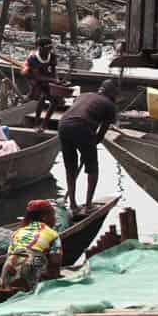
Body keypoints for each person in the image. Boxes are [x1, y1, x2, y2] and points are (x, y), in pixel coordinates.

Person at [58, 79, 120, 217]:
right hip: (82, 126)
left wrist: (89, 144)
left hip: (63, 125)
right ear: (112, 93)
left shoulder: (83, 95)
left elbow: (77, 110)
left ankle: (73, 205)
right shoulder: (109, 105)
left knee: (70, 168)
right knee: (93, 169)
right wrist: (92, 145)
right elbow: (101, 133)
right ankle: (89, 205)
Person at [0, 199, 63, 291]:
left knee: (11, 294)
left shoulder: (17, 232)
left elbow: (9, 256)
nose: (55, 218)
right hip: (32, 263)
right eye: (53, 215)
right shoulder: (53, 234)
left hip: (8, 268)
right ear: (45, 217)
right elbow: (55, 262)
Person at [22, 37, 65, 128]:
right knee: (43, 96)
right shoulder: (33, 58)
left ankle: (44, 123)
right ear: (40, 48)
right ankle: (37, 122)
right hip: (34, 79)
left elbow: (53, 71)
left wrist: (57, 82)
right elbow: (37, 77)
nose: (50, 49)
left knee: (55, 101)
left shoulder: (52, 56)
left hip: (47, 77)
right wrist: (53, 81)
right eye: (47, 47)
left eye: (51, 47)